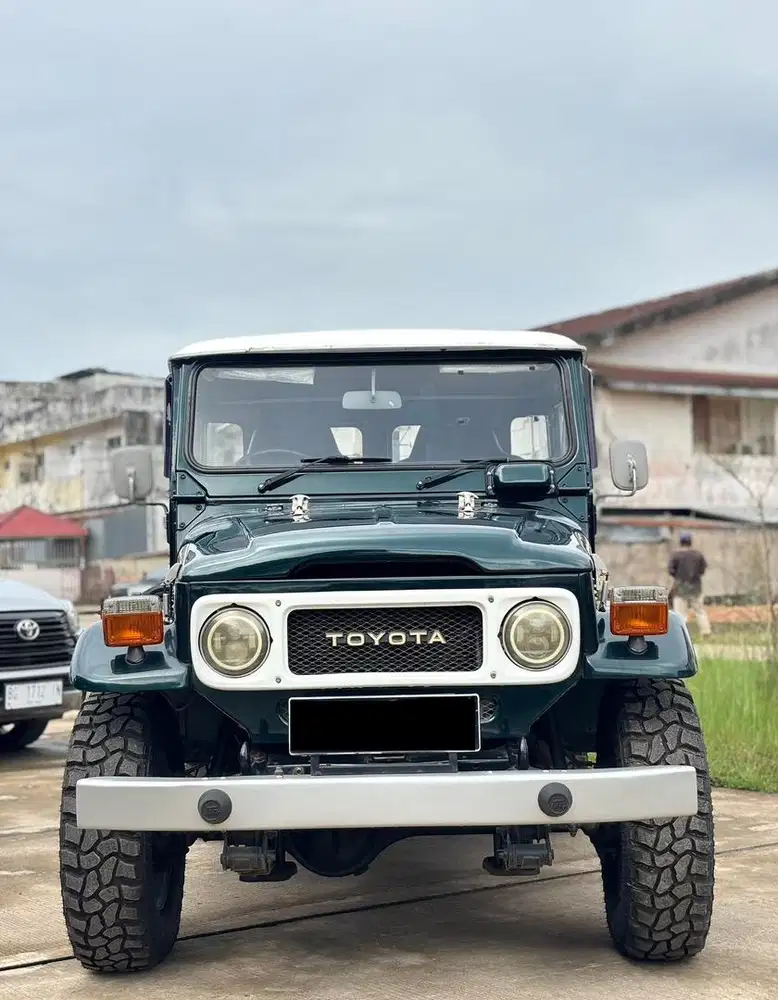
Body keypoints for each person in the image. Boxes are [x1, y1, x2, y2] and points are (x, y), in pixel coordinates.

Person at [668, 531, 712, 636]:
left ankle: (681, 635)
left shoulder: (676, 555)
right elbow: (703, 569)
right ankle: (706, 632)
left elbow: (671, 570)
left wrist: (679, 577)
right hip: (696, 588)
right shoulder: (698, 555)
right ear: (690, 542)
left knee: (680, 614)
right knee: (700, 611)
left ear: (680, 542)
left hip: (680, 589)